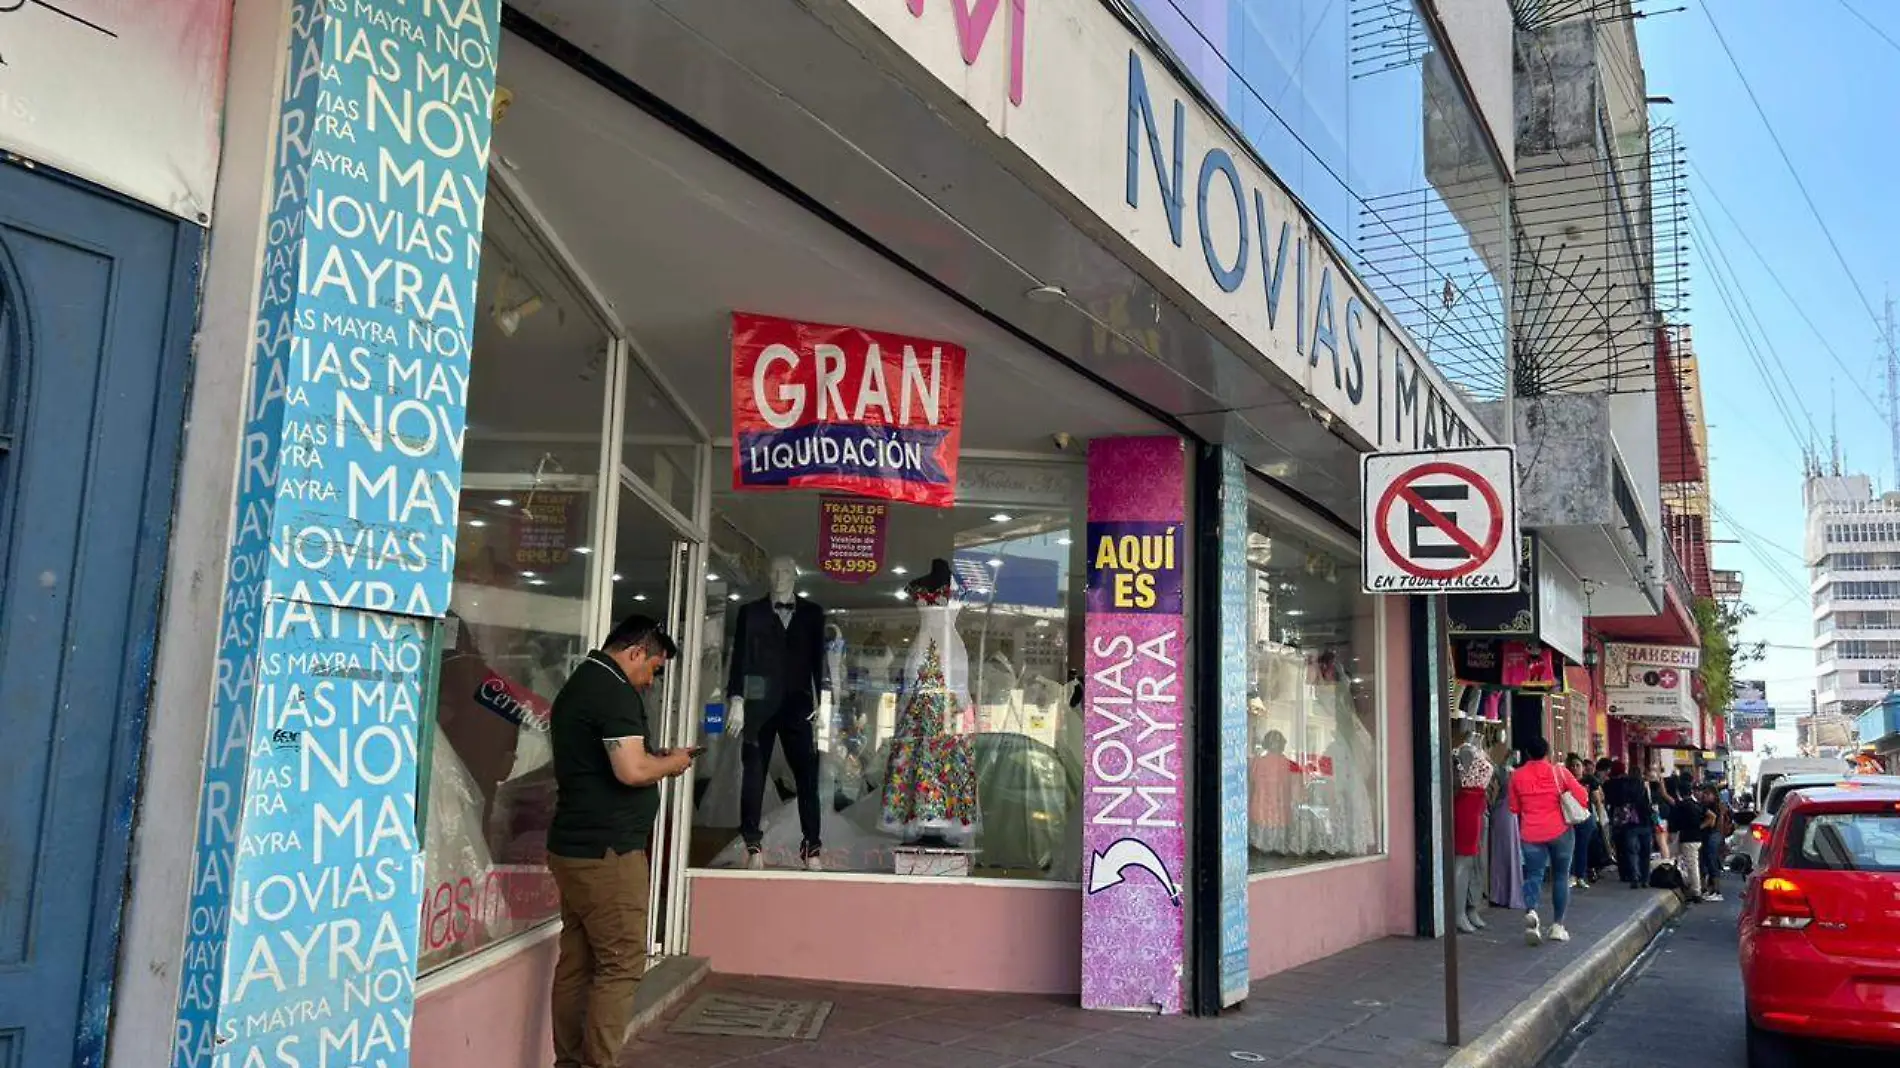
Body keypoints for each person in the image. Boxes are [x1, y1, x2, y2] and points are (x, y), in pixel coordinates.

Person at [546, 615, 695, 1068]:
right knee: (621, 963)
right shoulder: (612, 691)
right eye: (653, 668)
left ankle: (569, 1062)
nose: (651, 680)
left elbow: (619, 759)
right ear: (634, 652)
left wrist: (655, 758)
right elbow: (630, 770)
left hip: (576, 845)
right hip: (607, 851)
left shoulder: (586, 681)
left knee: (578, 962)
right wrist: (671, 764)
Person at [1509, 737, 1589, 946]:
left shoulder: (1517, 776)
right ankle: (1557, 926)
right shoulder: (1559, 772)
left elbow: (1514, 808)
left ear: (1527, 753)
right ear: (1548, 753)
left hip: (1531, 833)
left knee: (1533, 874)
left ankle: (1532, 912)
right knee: (1561, 876)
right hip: (1560, 831)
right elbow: (1582, 797)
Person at [1665, 785, 1707, 902]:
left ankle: (1696, 892)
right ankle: (1694, 889)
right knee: (1692, 864)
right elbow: (1708, 817)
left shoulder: (1681, 806)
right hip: (1697, 838)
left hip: (1687, 838)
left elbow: (1674, 822)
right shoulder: (1696, 805)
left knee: (1690, 865)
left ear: (1679, 793)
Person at [1565, 754, 1600, 890]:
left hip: (1586, 817)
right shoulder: (1565, 780)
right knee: (1570, 847)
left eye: (1577, 765)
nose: (1575, 768)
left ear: (1583, 767)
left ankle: (1580, 876)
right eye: (1572, 766)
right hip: (1569, 818)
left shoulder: (1589, 780)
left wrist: (1599, 817)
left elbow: (1597, 800)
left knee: (1582, 848)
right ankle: (1571, 875)